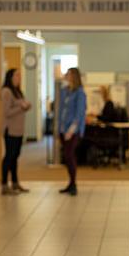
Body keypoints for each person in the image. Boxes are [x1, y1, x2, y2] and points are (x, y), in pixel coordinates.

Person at [0, 68, 31, 195]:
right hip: (10, 130)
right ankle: (4, 185)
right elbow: (7, 112)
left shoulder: (17, 91)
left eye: (20, 75)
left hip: (18, 130)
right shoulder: (6, 91)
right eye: (17, 75)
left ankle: (15, 182)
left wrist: (26, 106)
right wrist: (22, 107)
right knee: (9, 156)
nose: (19, 78)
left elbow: (22, 105)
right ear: (10, 77)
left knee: (15, 157)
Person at [58, 67, 86, 196]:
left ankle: (73, 184)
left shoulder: (80, 93)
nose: (66, 76)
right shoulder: (65, 91)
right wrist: (60, 129)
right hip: (63, 129)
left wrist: (71, 130)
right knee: (66, 157)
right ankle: (70, 183)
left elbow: (79, 113)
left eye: (69, 74)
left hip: (73, 130)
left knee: (70, 155)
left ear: (74, 76)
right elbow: (61, 110)